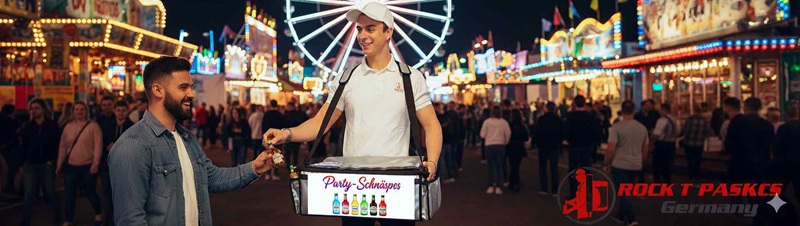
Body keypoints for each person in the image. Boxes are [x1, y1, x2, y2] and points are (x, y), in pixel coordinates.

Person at [263, 3, 441, 225]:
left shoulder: (410, 78)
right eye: (359, 29)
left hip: (397, 183)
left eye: (370, 28)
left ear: (389, 32)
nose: (362, 35)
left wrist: (432, 162)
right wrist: (287, 133)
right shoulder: (346, 78)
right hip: (353, 184)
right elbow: (320, 122)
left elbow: (431, 125)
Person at [109, 56, 275, 225]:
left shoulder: (188, 138)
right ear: (158, 90)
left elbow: (212, 178)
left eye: (191, 87)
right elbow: (130, 220)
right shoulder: (132, 146)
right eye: (183, 88)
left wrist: (254, 167)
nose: (192, 94)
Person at [57, 101, 104, 226]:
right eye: (76, 109)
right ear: (73, 111)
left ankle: (98, 214)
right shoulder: (68, 127)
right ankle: (69, 219)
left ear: (86, 111)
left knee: (90, 191)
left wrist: (95, 163)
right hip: (71, 165)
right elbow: (63, 146)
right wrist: (59, 164)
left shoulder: (93, 126)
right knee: (69, 194)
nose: (79, 112)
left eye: (82, 109)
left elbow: (98, 146)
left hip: (87, 165)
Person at [604, 100, 649, 226]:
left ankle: (630, 218)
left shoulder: (617, 127)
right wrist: (641, 160)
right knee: (627, 191)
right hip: (635, 164)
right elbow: (645, 148)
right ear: (634, 111)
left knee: (623, 192)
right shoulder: (642, 128)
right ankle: (620, 215)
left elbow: (611, 148)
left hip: (620, 164)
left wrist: (606, 163)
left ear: (622, 111)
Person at [20, 99, 62, 226]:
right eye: (31, 108)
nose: (34, 110)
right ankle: (25, 222)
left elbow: (57, 144)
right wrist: (23, 163)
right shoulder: (28, 126)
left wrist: (52, 160)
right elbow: (24, 146)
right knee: (28, 194)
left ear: (43, 110)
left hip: (46, 164)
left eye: (36, 108)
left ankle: (58, 218)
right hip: (31, 164)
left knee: (50, 192)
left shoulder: (52, 125)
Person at [724, 97, 773, 183]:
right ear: (760, 108)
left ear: (745, 107)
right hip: (760, 164)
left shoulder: (737, 122)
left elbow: (729, 143)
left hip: (739, 163)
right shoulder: (767, 124)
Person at [533, 102, 563, 196]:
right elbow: (562, 132)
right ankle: (555, 189)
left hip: (543, 145)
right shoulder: (558, 119)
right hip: (554, 145)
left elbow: (537, 132)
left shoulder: (541, 119)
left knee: (543, 167)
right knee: (554, 167)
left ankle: (544, 188)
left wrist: (535, 143)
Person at [480, 106, 510, 195]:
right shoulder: (504, 122)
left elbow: (482, 134)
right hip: (500, 145)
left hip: (489, 145)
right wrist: (505, 142)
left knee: (490, 166)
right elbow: (508, 134)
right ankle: (498, 186)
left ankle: (490, 185)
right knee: (499, 166)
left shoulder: (487, 122)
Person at [679, 104, 712, 184]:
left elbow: (686, 130)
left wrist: (682, 137)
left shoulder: (690, 119)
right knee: (697, 160)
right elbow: (708, 132)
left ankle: (690, 175)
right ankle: (697, 176)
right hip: (699, 143)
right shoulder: (704, 120)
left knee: (689, 160)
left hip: (689, 143)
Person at [651, 103, 679, 184]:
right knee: (667, 164)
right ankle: (667, 180)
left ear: (663, 110)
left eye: (660, 109)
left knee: (657, 164)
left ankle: (657, 182)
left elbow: (656, 134)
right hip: (671, 144)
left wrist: (652, 134)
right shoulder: (674, 120)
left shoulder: (662, 120)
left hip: (661, 144)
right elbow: (677, 132)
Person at [261, 100, 285, 180]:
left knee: (268, 154)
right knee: (277, 154)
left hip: (268, 138)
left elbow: (263, 126)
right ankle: (275, 173)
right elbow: (283, 126)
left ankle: (268, 172)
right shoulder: (280, 115)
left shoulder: (267, 114)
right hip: (278, 138)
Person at [506, 109, 529, 192]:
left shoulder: (509, 125)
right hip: (519, 147)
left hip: (511, 147)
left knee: (513, 165)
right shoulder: (522, 126)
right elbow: (526, 137)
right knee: (516, 166)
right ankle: (516, 182)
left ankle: (513, 183)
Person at [283, 102, 309, 167]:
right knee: (295, 152)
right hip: (296, 135)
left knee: (288, 152)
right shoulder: (299, 114)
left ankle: (288, 165)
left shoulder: (286, 115)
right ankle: (294, 165)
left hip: (287, 135)